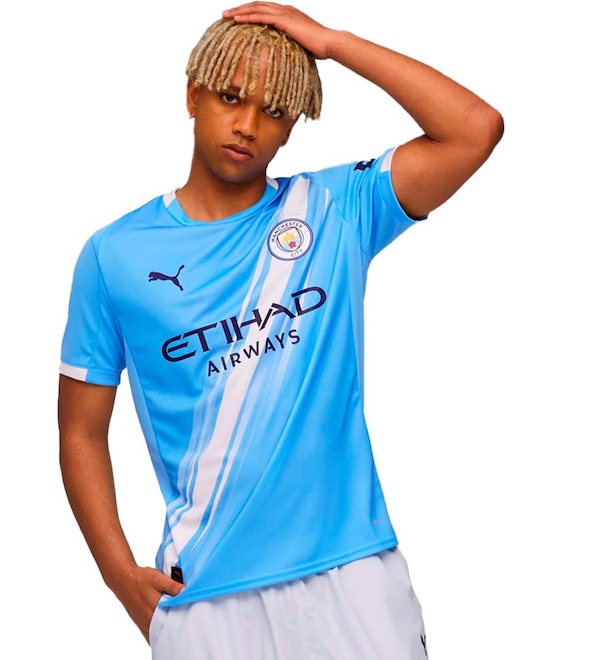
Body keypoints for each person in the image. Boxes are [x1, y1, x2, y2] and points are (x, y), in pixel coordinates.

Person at [58, 3, 503, 658]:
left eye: (274, 110)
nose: (247, 125)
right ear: (192, 95)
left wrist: (333, 43)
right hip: (206, 594)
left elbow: (474, 129)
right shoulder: (114, 255)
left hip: (352, 577)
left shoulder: (336, 209)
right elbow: (80, 430)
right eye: (230, 97)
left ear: (293, 125)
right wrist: (118, 574)